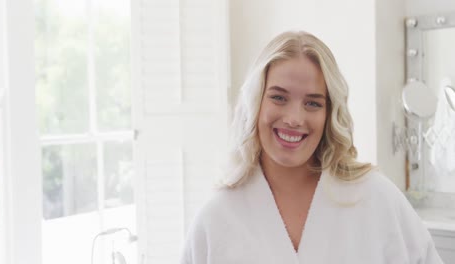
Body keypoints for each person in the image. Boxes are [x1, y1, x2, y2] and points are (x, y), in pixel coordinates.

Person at [180, 31, 443, 264]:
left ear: (329, 114)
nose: (294, 118)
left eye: (313, 103)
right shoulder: (216, 218)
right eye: (278, 97)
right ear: (255, 101)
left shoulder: (378, 198)